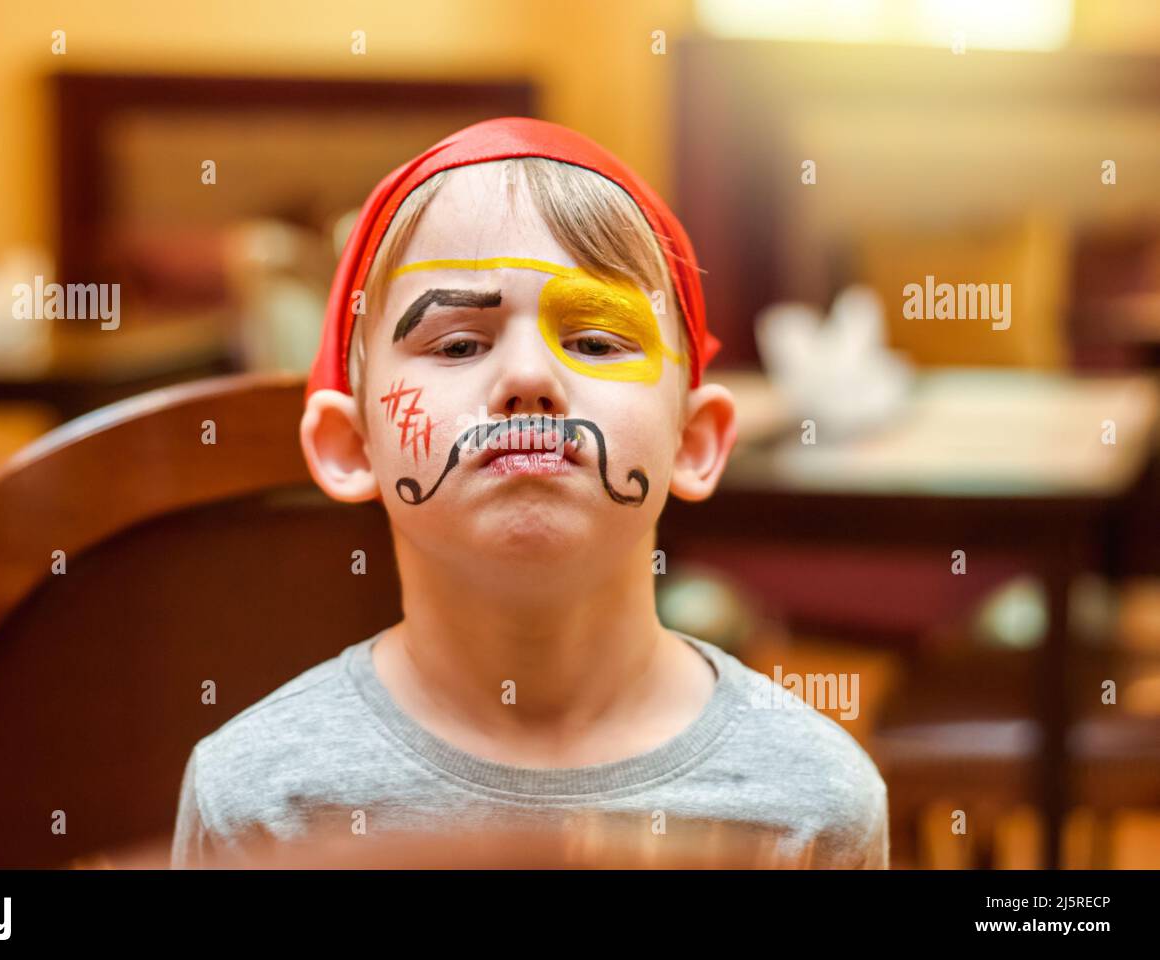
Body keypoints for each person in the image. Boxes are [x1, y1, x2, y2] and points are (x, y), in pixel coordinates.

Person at [171, 117, 888, 868]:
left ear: (695, 441)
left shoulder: (812, 801)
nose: (527, 379)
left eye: (595, 342)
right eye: (458, 344)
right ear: (351, 447)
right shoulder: (259, 798)